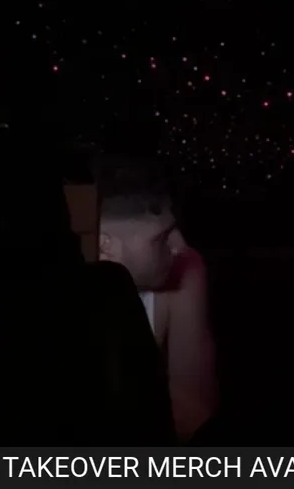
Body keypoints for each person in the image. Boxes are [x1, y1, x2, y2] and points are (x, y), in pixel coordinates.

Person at [96, 154, 218, 441]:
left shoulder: (185, 271)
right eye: (163, 237)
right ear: (105, 246)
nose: (180, 246)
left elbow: (194, 413)